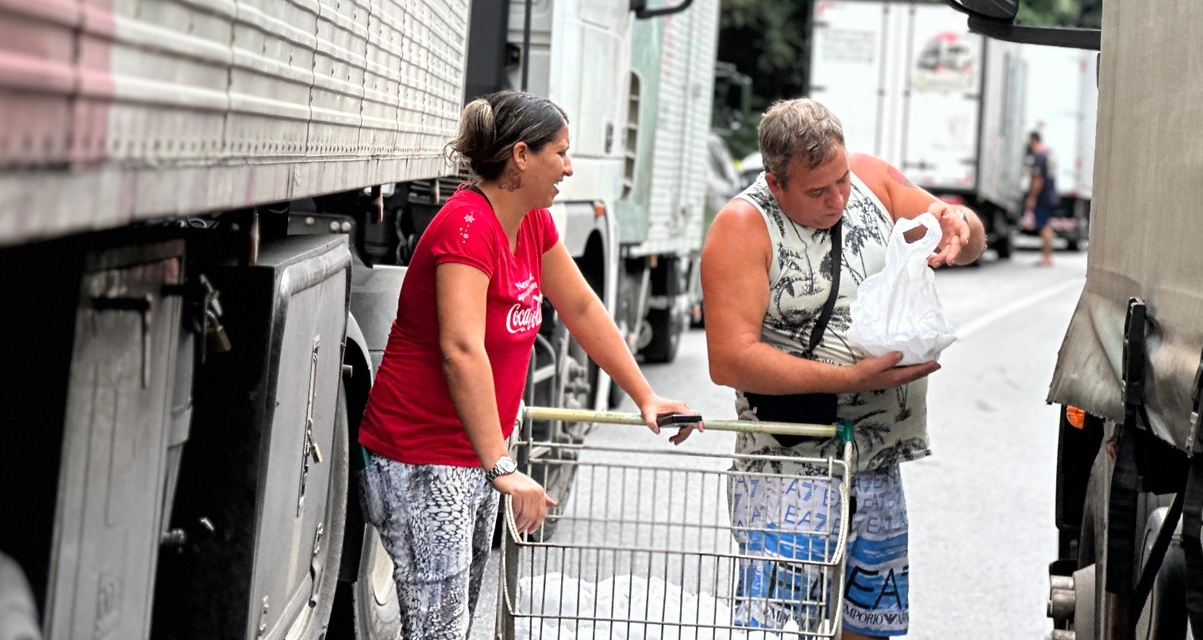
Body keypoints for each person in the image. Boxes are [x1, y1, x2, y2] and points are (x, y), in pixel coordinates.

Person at [357, 91, 699, 640]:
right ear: (521, 155)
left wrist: (645, 396)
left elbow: (583, 307)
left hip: (475, 453)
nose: (569, 166)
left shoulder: (533, 223)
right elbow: (460, 349)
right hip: (424, 456)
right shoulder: (467, 228)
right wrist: (502, 468)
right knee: (438, 632)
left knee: (452, 625)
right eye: (560, 153)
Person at [700, 99, 987, 640]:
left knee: (869, 626)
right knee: (780, 629)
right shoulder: (742, 225)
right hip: (790, 472)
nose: (837, 199)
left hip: (875, 463)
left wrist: (959, 224)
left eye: (841, 180)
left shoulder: (873, 178)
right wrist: (853, 381)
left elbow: (965, 237)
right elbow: (730, 358)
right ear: (775, 182)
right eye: (816, 191)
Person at [1023, 130, 1060, 267]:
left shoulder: (1039, 156)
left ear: (1033, 140)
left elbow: (1038, 179)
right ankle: (1047, 256)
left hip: (1043, 197)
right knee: (1047, 226)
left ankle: (1045, 257)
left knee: (1044, 227)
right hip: (1050, 194)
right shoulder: (1049, 153)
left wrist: (1032, 197)